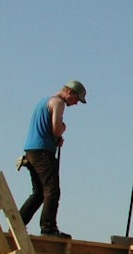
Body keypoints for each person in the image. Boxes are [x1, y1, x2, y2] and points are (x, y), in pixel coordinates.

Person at [18, 80, 87, 239]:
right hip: (43, 152)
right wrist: (63, 128)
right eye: (76, 99)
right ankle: (48, 228)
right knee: (52, 190)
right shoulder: (58, 103)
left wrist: (55, 140)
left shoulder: (44, 101)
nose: (75, 103)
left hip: (31, 150)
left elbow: (44, 128)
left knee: (39, 193)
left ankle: (18, 223)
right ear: (70, 92)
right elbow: (56, 129)